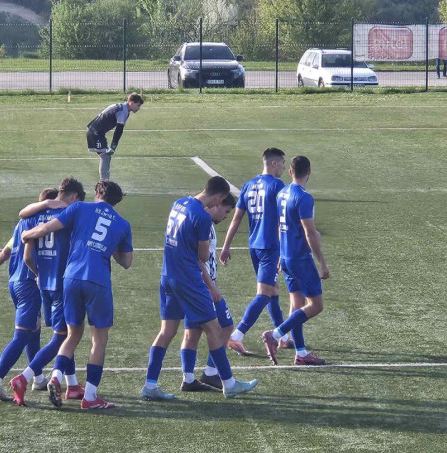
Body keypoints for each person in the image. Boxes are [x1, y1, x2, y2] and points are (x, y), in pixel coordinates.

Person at [141, 176, 259, 400]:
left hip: (168, 275)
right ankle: (229, 383)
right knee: (215, 329)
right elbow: (203, 256)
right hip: (189, 280)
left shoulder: (179, 203)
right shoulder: (202, 217)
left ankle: (150, 384)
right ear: (219, 196)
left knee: (166, 332)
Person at [19, 180, 133, 410]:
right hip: (98, 281)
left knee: (71, 335)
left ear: (98, 193)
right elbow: (126, 262)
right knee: (99, 340)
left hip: (71, 277)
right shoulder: (123, 224)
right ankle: (89, 397)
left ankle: (56, 377)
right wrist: (109, 245)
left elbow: (47, 228)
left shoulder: (80, 207)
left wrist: (27, 234)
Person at [0, 188, 59, 401]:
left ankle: (38, 378)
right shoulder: (44, 224)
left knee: (33, 330)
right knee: (22, 335)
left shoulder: (22, 223)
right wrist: (39, 274)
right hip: (29, 283)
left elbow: (5, 252)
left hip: (15, 282)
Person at [8, 178, 87, 405]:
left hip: (44, 284)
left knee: (65, 334)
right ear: (74, 197)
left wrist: (38, 273)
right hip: (62, 284)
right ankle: (24, 377)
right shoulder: (69, 214)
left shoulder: (36, 215)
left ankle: (72, 384)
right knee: (63, 337)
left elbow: (27, 254)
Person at [219, 148, 292, 356]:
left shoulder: (248, 185)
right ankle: (236, 336)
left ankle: (283, 337)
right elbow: (282, 220)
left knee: (273, 292)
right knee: (264, 294)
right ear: (274, 163)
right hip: (270, 247)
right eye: (282, 162)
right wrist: (283, 250)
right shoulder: (277, 185)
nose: (284, 167)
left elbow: (236, 218)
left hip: (254, 246)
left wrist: (226, 246)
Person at [262, 156, 329, 366]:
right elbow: (309, 233)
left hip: (286, 257)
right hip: (300, 258)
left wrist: (280, 255)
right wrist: (322, 262)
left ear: (290, 172)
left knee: (296, 304)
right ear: (310, 171)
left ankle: (300, 353)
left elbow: (279, 226)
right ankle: (275, 335)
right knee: (315, 306)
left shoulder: (282, 193)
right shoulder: (304, 197)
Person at [179, 193, 237, 392]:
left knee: (193, 332)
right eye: (226, 212)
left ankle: (188, 379)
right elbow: (198, 258)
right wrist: (211, 286)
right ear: (217, 204)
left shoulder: (200, 219)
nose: (226, 217)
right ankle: (211, 373)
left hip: (195, 284)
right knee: (225, 326)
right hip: (202, 286)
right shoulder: (203, 222)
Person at [87, 93, 144, 180]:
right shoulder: (123, 111)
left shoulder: (121, 107)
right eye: (138, 105)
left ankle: (105, 181)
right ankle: (103, 182)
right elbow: (119, 130)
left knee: (106, 156)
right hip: (95, 132)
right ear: (131, 103)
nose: (139, 108)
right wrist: (113, 146)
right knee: (105, 156)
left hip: (97, 132)